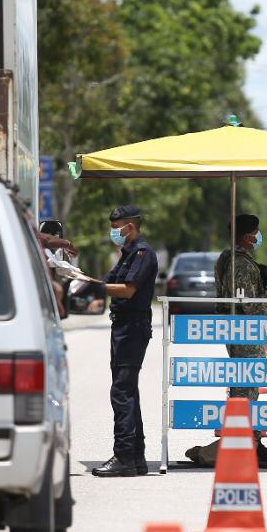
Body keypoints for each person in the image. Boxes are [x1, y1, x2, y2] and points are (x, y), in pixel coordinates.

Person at [184, 214, 267, 466]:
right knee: (246, 387)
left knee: (246, 387)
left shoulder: (233, 259)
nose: (258, 236)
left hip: (241, 330)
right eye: (256, 232)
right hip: (245, 331)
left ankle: (253, 441)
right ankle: (244, 443)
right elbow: (248, 303)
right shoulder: (239, 263)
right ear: (247, 236)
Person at [92, 205, 159, 478]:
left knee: (121, 392)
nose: (114, 232)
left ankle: (123, 456)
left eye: (117, 226)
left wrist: (94, 287)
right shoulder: (127, 255)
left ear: (129, 227)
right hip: (123, 327)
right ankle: (136, 457)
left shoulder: (143, 253)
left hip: (132, 327)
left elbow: (128, 290)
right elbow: (107, 282)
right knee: (128, 391)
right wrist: (85, 283)